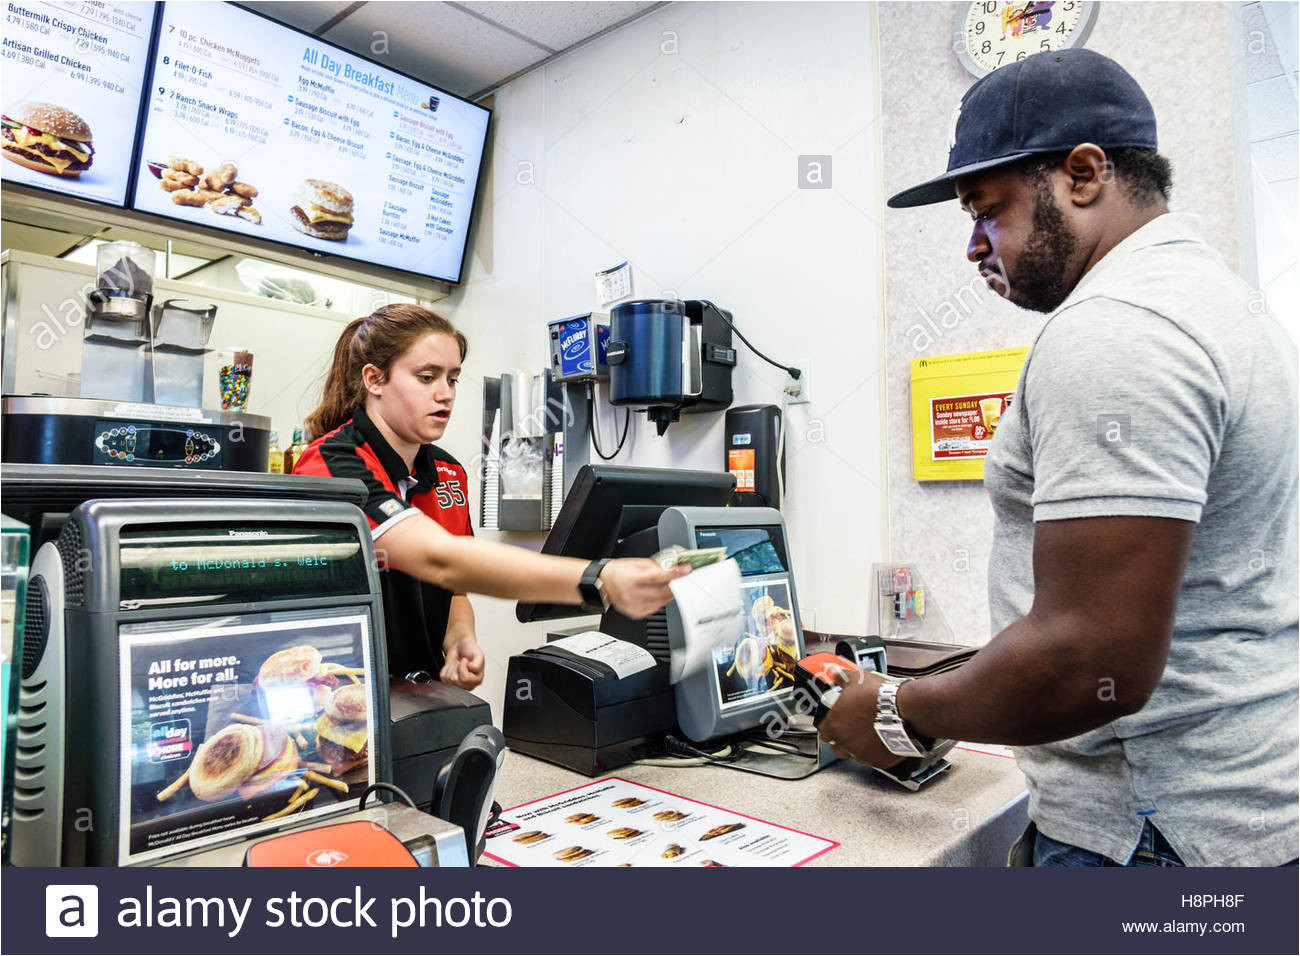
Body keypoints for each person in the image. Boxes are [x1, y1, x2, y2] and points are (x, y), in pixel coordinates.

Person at [818, 49, 1298, 867]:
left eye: (986, 211)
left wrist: (897, 711)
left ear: (1082, 175)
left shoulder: (1116, 330)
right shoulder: (1220, 303)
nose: (974, 245)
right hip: (1229, 816)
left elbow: (1089, 658)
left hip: (1151, 835)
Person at [294, 304, 689, 691]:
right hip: (343, 694)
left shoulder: (448, 472)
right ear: (374, 379)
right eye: (426, 377)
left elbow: (455, 586)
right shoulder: (330, 463)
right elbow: (441, 559)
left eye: (452, 379)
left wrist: (459, 638)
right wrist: (597, 578)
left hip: (422, 694)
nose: (444, 394)